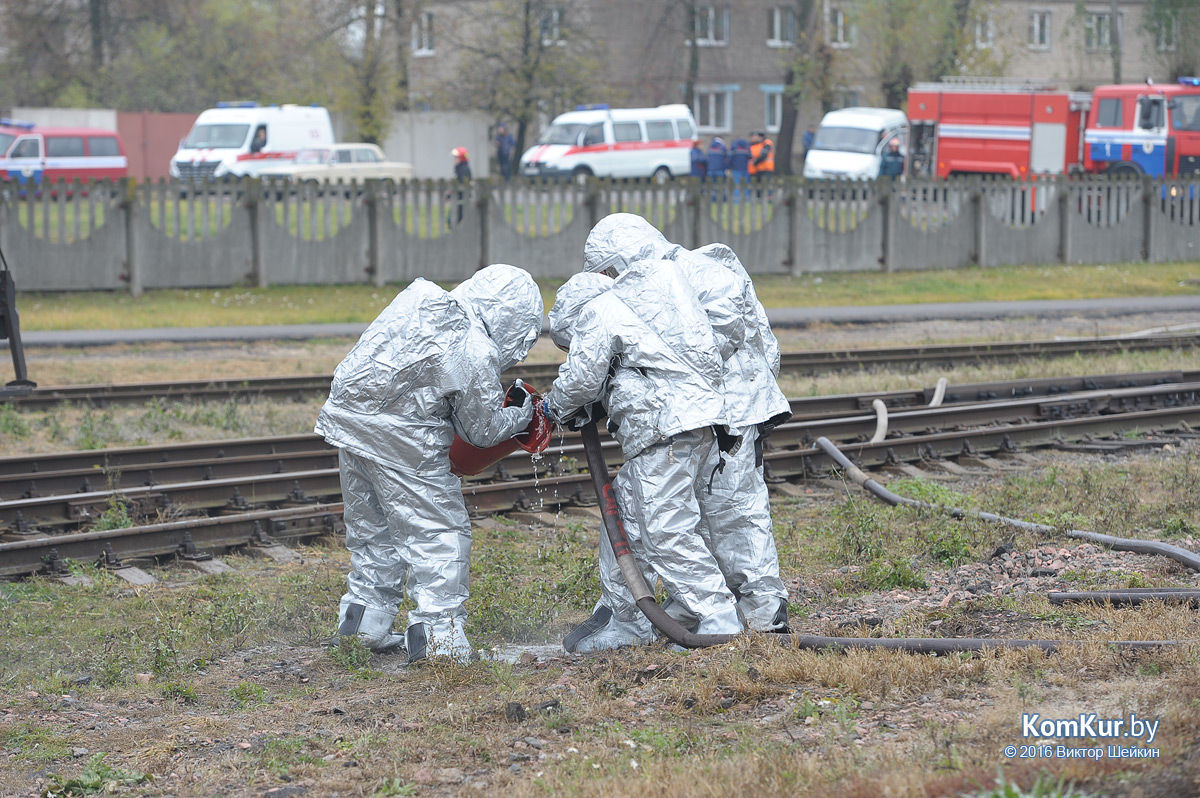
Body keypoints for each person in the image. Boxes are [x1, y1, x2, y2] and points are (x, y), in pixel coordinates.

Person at [316, 264, 544, 663]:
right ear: (511, 319)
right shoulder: (472, 344)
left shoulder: (418, 299)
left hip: (349, 423)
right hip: (403, 440)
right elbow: (482, 430)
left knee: (374, 533)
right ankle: (440, 641)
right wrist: (523, 415)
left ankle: (362, 624)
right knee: (440, 535)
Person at [578, 213, 791, 635]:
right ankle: (718, 607)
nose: (609, 280)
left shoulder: (692, 271)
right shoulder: (682, 275)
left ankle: (757, 609)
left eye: (608, 270)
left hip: (725, 411)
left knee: (728, 509)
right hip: (718, 410)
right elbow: (763, 344)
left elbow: (719, 337)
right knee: (707, 508)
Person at [544, 259, 745, 654]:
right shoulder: (640, 310)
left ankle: (718, 619)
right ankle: (630, 621)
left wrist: (553, 408)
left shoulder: (601, 310)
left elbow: (582, 376)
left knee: (665, 528)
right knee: (626, 513)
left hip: (665, 432)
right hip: (678, 428)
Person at [448, 146, 472, 226]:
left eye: (456, 157)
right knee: (451, 220)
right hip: (457, 198)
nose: (454, 159)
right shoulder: (457, 168)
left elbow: (462, 184)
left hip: (462, 199)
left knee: (458, 220)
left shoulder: (464, 169)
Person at [727, 136, 752, 202]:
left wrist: (730, 167)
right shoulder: (747, 146)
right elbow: (750, 156)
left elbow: (730, 158)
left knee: (737, 185)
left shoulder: (733, 146)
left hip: (736, 169)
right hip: (745, 169)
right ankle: (747, 200)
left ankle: (737, 201)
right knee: (746, 185)